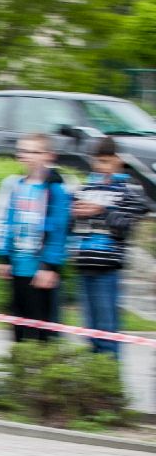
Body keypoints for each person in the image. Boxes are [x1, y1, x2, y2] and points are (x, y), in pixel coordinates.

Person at [68, 137, 149, 357]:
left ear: (117, 160)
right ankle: (96, 374)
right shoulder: (86, 187)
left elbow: (127, 225)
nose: (99, 167)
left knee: (107, 331)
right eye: (96, 161)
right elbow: (71, 224)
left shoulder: (128, 188)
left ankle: (111, 374)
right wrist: (74, 213)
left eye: (105, 161)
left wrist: (102, 211)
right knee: (90, 331)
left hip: (107, 267)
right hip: (84, 263)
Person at [0, 132, 70, 342]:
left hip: (40, 269)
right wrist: (3, 257)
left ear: (49, 155)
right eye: (24, 151)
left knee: (42, 330)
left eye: (35, 152)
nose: (28, 156)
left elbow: (58, 230)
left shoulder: (56, 190)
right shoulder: (16, 186)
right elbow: (8, 222)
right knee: (18, 325)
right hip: (18, 266)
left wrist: (49, 266)